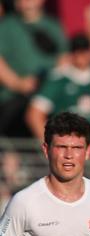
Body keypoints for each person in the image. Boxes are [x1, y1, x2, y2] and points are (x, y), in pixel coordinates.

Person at [26, 34, 90, 143]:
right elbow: (35, 115)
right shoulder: (58, 79)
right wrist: (52, 146)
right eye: (76, 50)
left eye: (85, 50)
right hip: (68, 152)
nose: (81, 55)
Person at [0, 0, 68, 137]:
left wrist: (49, 86)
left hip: (49, 94)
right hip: (16, 98)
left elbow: (64, 59)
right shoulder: (6, 26)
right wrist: (18, 83)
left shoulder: (53, 25)